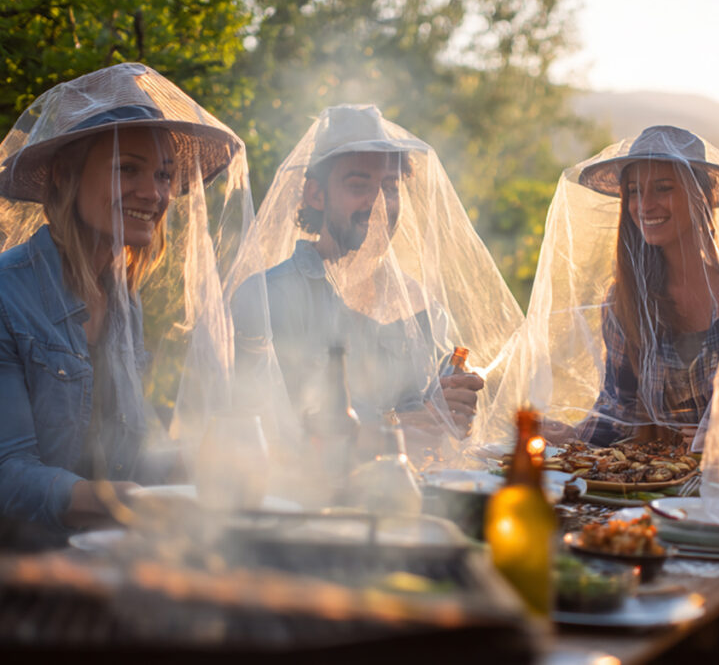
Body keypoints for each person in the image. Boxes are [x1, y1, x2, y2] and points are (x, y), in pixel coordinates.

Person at [0, 63, 247, 541]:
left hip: (100, 561)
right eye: (127, 169)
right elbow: (8, 473)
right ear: (64, 178)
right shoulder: (8, 296)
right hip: (20, 582)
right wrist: (128, 501)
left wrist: (206, 462)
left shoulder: (122, 300)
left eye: (163, 174)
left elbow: (128, 445)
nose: (154, 192)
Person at [230, 104, 523, 457]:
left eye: (390, 187)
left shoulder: (423, 308)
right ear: (316, 195)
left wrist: (455, 408)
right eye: (359, 185)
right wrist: (394, 428)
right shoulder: (271, 298)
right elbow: (272, 427)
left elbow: (439, 422)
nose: (380, 203)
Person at [482, 126, 719, 451]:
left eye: (662, 188)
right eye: (633, 191)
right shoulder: (626, 302)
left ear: (703, 195)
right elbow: (619, 411)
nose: (644, 205)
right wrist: (572, 437)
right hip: (667, 483)